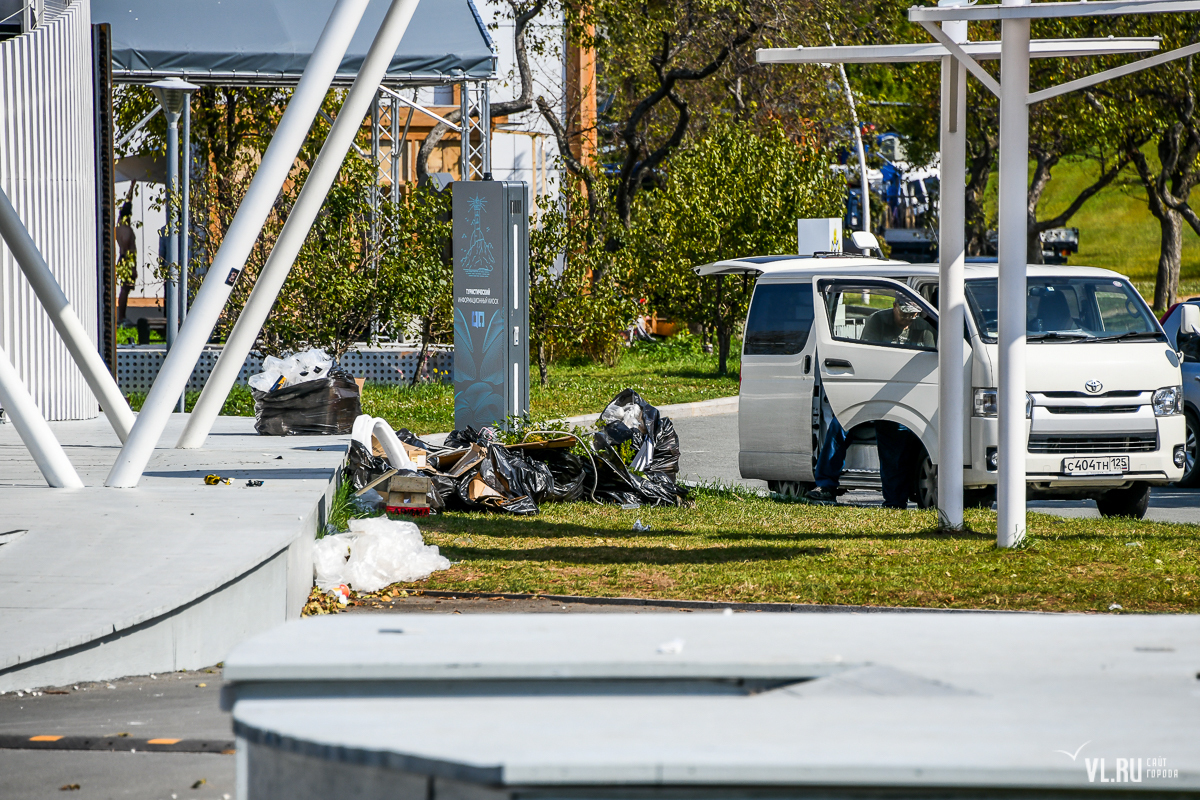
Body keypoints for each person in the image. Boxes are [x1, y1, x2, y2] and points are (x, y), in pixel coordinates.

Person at [862, 296, 935, 348]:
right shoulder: (878, 320)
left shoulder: (923, 327)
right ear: (894, 306)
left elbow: (930, 354)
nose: (908, 318)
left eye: (913, 314)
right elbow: (867, 350)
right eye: (904, 314)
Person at [115, 202, 136, 324]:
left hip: (123, 259)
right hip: (127, 260)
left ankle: (122, 315)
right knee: (125, 288)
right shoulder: (126, 230)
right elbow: (129, 248)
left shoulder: (119, 228)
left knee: (125, 288)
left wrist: (132, 187)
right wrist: (132, 267)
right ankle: (121, 316)